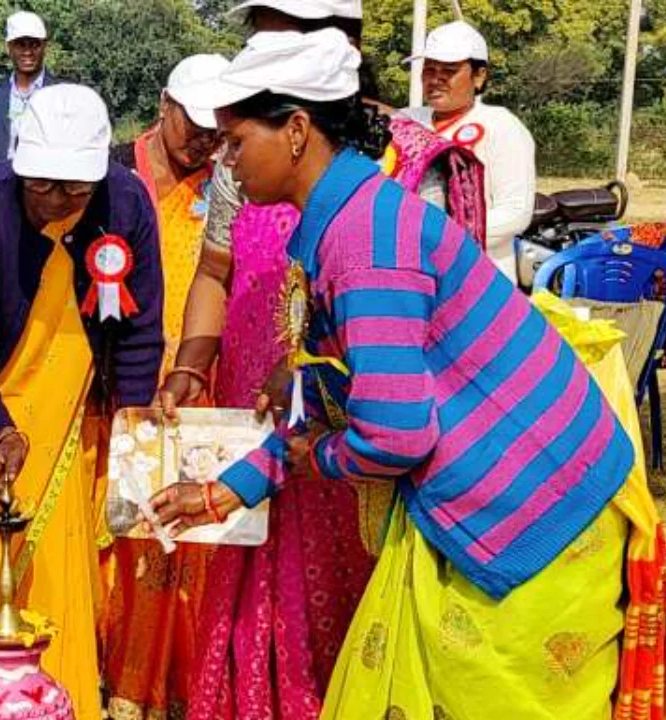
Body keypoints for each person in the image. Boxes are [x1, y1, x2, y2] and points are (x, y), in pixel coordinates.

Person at [156, 28, 640, 720]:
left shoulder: (364, 242)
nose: (227, 164)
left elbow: (394, 435)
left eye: (236, 142)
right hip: (515, 476)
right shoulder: (350, 216)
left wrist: (318, 456)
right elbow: (337, 393)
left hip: (536, 503)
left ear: (296, 130)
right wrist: (223, 491)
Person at [155, 4, 485, 718]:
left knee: (353, 594)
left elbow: (423, 357)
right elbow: (215, 271)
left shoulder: (407, 169)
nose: (261, 43)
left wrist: (322, 430)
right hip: (271, 401)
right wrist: (190, 366)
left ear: (343, 43)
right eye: (260, 27)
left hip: (364, 420)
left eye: (284, 29)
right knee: (249, 567)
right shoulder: (248, 150)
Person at [0, 83, 164, 720]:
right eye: (43, 186)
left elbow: (141, 332)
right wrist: (3, 429)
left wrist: (131, 433)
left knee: (70, 586)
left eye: (75, 189)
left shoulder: (126, 201)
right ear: (19, 167)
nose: (58, 200)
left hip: (75, 423)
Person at [100, 52, 228, 720]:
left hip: (199, 392)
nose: (205, 138)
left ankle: (177, 686)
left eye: (217, 127)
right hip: (119, 392)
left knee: (185, 546)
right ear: (163, 105)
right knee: (119, 540)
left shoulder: (232, 182)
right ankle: (113, 678)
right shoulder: (114, 173)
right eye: (195, 123)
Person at [405, 20, 535, 280]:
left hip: (478, 277)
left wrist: (439, 235)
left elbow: (515, 213)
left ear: (479, 76)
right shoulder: (405, 120)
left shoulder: (501, 125)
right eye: (429, 69)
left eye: (449, 70)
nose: (436, 78)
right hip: (412, 272)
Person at [0, 11, 60, 170]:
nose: (27, 52)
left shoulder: (62, 95)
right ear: (8, 47)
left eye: (34, 44)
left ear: (45, 46)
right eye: (20, 44)